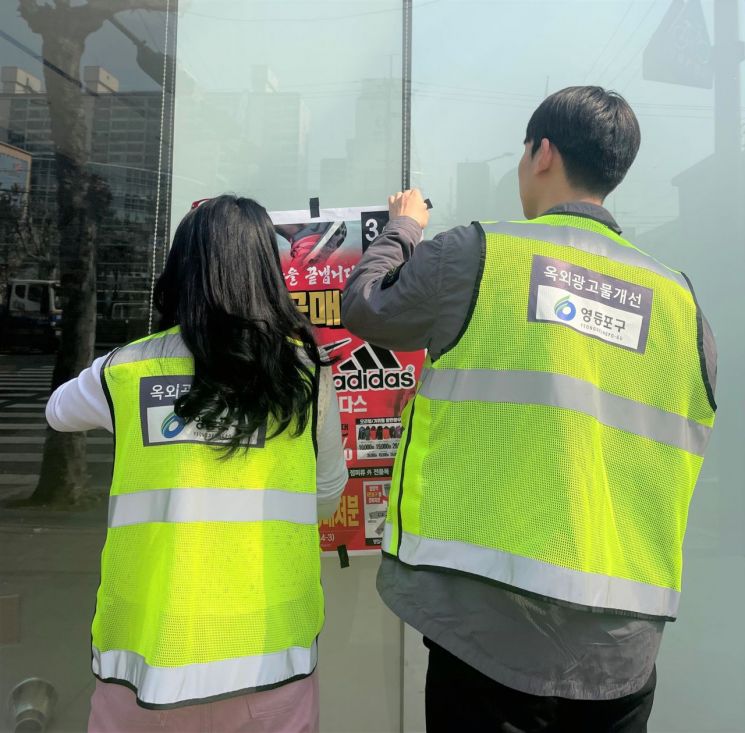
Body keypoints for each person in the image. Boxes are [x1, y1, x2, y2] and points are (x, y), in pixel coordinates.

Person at [341, 87, 717, 732]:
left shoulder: (484, 255)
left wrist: (402, 227)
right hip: (621, 651)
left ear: (542, 153)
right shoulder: (683, 305)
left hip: (492, 637)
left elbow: (368, 307)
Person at [46, 195, 348, 733]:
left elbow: (58, 412)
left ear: (181, 271)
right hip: (268, 654)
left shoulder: (127, 370)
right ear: (266, 272)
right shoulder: (304, 374)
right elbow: (326, 492)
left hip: (148, 660)